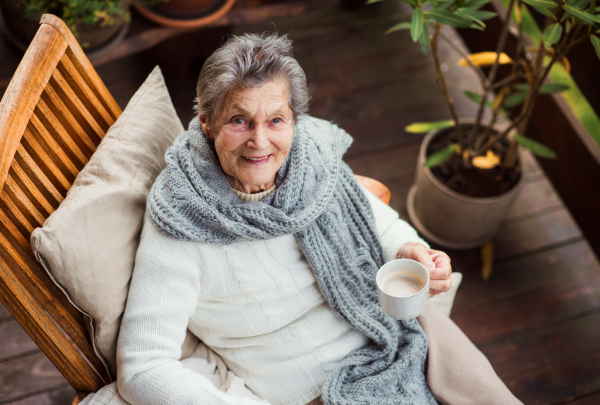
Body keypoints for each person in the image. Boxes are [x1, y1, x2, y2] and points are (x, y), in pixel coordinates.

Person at [84, 33, 521, 405]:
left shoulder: (311, 159)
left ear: (294, 121)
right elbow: (142, 368)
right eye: (239, 120)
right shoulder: (182, 220)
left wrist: (412, 252)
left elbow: (384, 229)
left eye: (276, 120)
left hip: (392, 334)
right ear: (206, 123)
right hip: (315, 391)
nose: (260, 141)